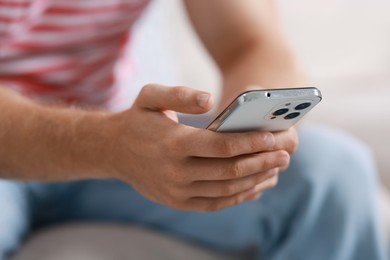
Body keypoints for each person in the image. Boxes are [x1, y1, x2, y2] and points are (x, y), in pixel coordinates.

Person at [0, 0, 387, 259]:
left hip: (120, 129)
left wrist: (245, 129)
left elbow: (253, 45)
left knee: (333, 172)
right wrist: (110, 146)